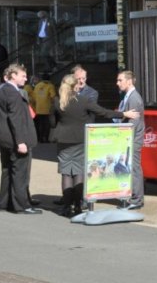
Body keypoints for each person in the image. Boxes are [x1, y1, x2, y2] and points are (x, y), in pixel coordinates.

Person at [50, 73, 132, 216]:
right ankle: (78, 206)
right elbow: (103, 112)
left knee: (66, 173)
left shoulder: (57, 101)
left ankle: (66, 207)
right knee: (79, 172)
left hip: (63, 140)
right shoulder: (83, 100)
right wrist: (124, 114)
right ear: (76, 86)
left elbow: (51, 122)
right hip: (81, 140)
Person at [0, 62, 41, 214]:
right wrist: (21, 142)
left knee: (7, 170)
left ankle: (5, 203)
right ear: (13, 76)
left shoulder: (0, 90)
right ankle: (21, 206)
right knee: (19, 173)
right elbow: (15, 119)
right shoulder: (12, 92)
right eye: (23, 76)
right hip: (14, 140)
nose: (26, 78)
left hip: (5, 140)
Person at [114, 70, 146, 209]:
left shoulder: (134, 98)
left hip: (132, 139)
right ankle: (132, 197)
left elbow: (134, 122)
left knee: (134, 169)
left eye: (120, 80)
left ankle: (137, 200)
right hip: (130, 139)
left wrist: (126, 139)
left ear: (129, 81)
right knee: (131, 168)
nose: (117, 83)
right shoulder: (128, 96)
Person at [29, 72, 57, 144]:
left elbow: (34, 97)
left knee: (40, 124)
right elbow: (53, 96)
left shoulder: (37, 86)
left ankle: (40, 139)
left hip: (38, 108)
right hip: (47, 109)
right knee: (47, 124)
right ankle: (46, 139)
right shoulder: (50, 86)